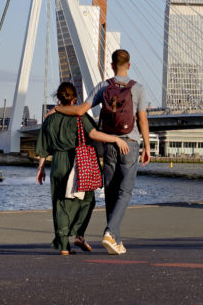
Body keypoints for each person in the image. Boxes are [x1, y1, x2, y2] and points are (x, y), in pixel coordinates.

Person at [50, 49, 150, 255]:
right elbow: (142, 120)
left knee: (111, 192)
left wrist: (58, 108)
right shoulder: (138, 88)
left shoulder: (104, 86)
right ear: (128, 66)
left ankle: (117, 241)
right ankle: (110, 232)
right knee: (125, 191)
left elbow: (79, 110)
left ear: (112, 66)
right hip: (129, 143)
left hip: (109, 145)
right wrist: (147, 146)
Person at [36, 81, 130, 255]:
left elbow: (43, 146)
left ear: (58, 98)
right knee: (87, 199)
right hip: (77, 161)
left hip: (57, 162)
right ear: (75, 99)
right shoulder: (79, 117)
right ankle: (78, 233)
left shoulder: (49, 118)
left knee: (60, 203)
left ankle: (64, 245)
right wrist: (116, 139)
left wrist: (41, 168)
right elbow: (94, 134)